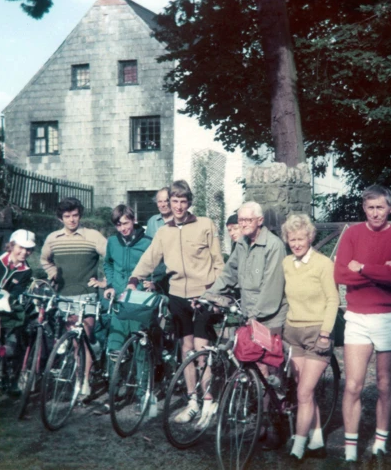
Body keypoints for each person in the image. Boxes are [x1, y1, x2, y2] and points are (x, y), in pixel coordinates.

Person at [129, 180, 224, 425]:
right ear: (169, 203)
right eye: (175, 201)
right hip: (177, 296)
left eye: (183, 201)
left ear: (189, 202)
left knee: (202, 351)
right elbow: (150, 259)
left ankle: (209, 401)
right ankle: (193, 400)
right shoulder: (164, 232)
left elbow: (218, 262)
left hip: (202, 295)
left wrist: (212, 294)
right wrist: (134, 279)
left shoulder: (205, 225)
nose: (179, 206)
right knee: (186, 348)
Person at [334, 185, 391, 468]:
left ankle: (380, 442)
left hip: (388, 317)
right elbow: (340, 273)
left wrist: (363, 268)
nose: (375, 212)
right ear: (364, 209)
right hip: (357, 316)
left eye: (380, 207)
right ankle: (350, 448)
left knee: (384, 383)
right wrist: (382, 270)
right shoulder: (352, 234)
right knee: (353, 385)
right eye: (370, 207)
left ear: (390, 208)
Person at [203, 201, 287, 448]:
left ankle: (274, 424)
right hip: (249, 314)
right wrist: (208, 295)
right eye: (240, 220)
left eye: (247, 220)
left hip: (269, 316)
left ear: (260, 221)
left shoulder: (274, 246)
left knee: (267, 371)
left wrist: (254, 316)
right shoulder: (242, 243)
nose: (243, 224)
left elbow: (272, 288)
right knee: (251, 370)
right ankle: (260, 422)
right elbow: (229, 274)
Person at [281, 214, 340, 461]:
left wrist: (326, 333)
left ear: (310, 237)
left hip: (318, 334)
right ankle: (317, 441)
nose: (296, 243)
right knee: (307, 392)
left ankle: (298, 446)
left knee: (304, 393)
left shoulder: (323, 264)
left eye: (300, 238)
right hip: (293, 333)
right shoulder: (286, 263)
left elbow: (333, 299)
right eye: (292, 239)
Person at [41, 197, 107, 397]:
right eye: (67, 216)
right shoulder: (53, 239)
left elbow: (111, 258)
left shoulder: (92, 236)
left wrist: (105, 282)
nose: (72, 220)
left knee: (86, 337)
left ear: (80, 215)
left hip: (87, 295)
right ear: (60, 218)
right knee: (76, 341)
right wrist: (53, 274)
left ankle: (86, 380)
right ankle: (81, 376)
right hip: (65, 296)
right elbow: (45, 260)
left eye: (75, 215)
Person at [103, 205, 153, 355]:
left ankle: (141, 379)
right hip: (118, 297)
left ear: (134, 220)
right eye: (118, 225)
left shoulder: (147, 242)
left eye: (126, 223)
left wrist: (152, 282)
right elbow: (108, 263)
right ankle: (114, 377)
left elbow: (158, 265)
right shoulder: (112, 242)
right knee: (115, 343)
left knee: (140, 344)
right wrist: (110, 285)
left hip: (138, 298)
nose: (122, 228)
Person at [0, 229, 35, 394]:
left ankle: (8, 377)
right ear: (12, 245)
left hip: (8, 310)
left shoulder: (26, 271)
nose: (24, 252)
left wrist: (7, 300)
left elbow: (17, 292)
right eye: (21, 247)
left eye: (28, 249)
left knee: (13, 344)